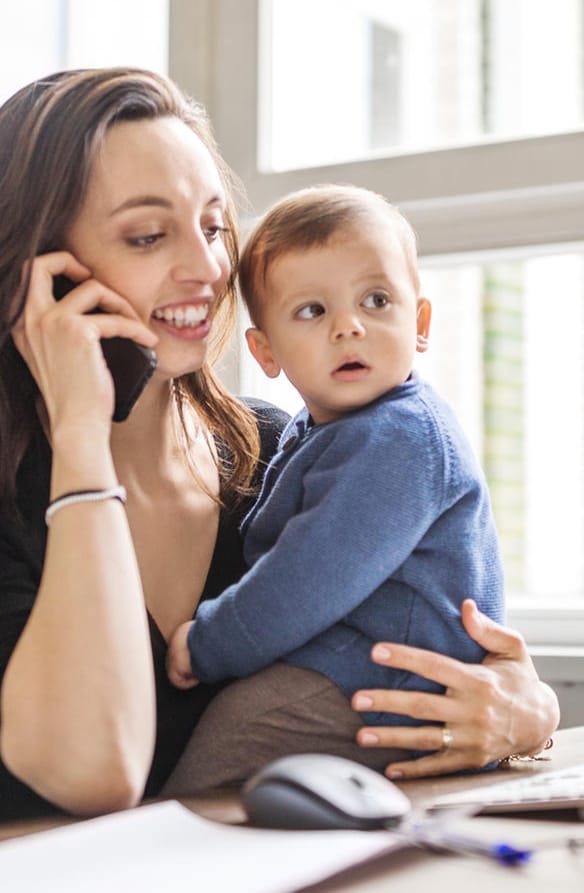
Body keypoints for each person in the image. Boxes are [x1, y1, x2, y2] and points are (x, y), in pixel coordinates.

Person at [0, 67, 559, 841]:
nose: (209, 270)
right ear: (38, 275)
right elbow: (95, 771)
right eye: (147, 235)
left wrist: (523, 709)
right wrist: (80, 432)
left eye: (212, 226)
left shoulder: (276, 454)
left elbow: (439, 640)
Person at [161, 185, 503, 792]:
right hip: (359, 672)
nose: (349, 327)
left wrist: (208, 644)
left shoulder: (400, 439)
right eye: (313, 311)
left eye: (376, 300)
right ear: (266, 351)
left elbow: (305, 578)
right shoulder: (319, 430)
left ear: (419, 322)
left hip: (385, 684)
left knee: (209, 770)